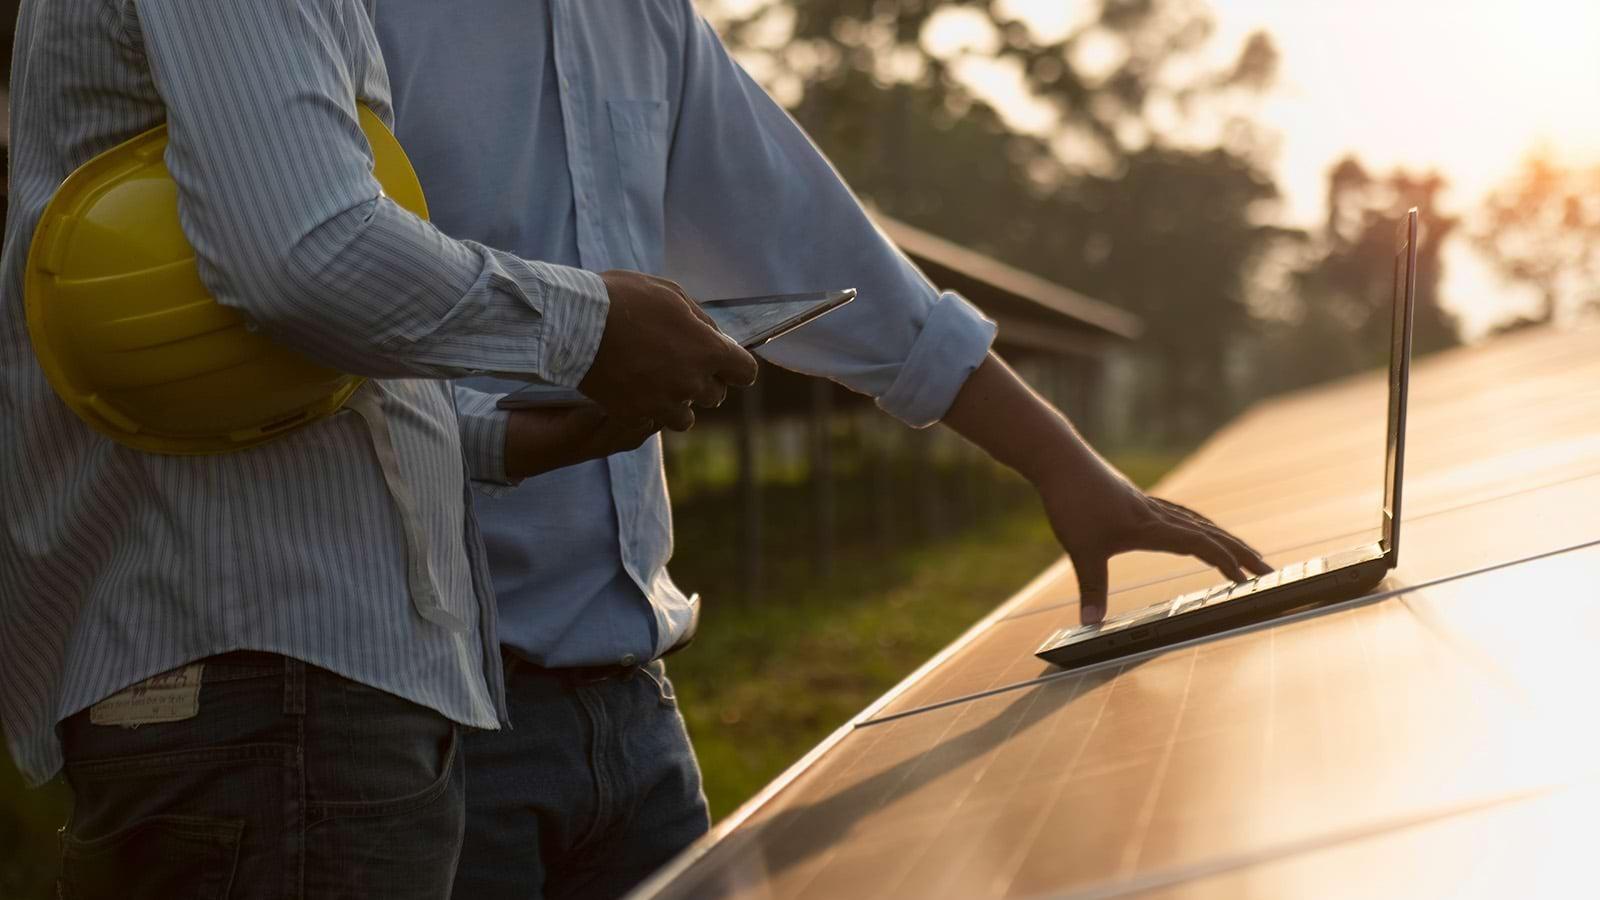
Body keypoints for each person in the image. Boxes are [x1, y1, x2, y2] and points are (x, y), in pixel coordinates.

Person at [371, 3, 1274, 898]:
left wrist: (1064, 463)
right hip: (416, 722)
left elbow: (817, 246)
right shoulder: (345, 15)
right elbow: (307, 305)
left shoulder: (641, 20)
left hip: (632, 707)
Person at [0, 0, 755, 896]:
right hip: (277, 684)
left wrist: (491, 437)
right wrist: (590, 323)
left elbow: (239, 329)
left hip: (274, 690)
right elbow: (304, 256)